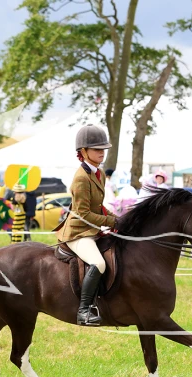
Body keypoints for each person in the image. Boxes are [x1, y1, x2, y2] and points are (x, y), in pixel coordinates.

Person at [55, 124, 118, 326]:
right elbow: (83, 214)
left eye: (103, 149)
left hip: (92, 229)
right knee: (98, 263)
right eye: (97, 149)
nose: (102, 152)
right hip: (78, 232)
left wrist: (118, 218)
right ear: (83, 151)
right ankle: (84, 311)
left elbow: (98, 207)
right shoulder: (81, 177)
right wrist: (111, 221)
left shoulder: (98, 173)